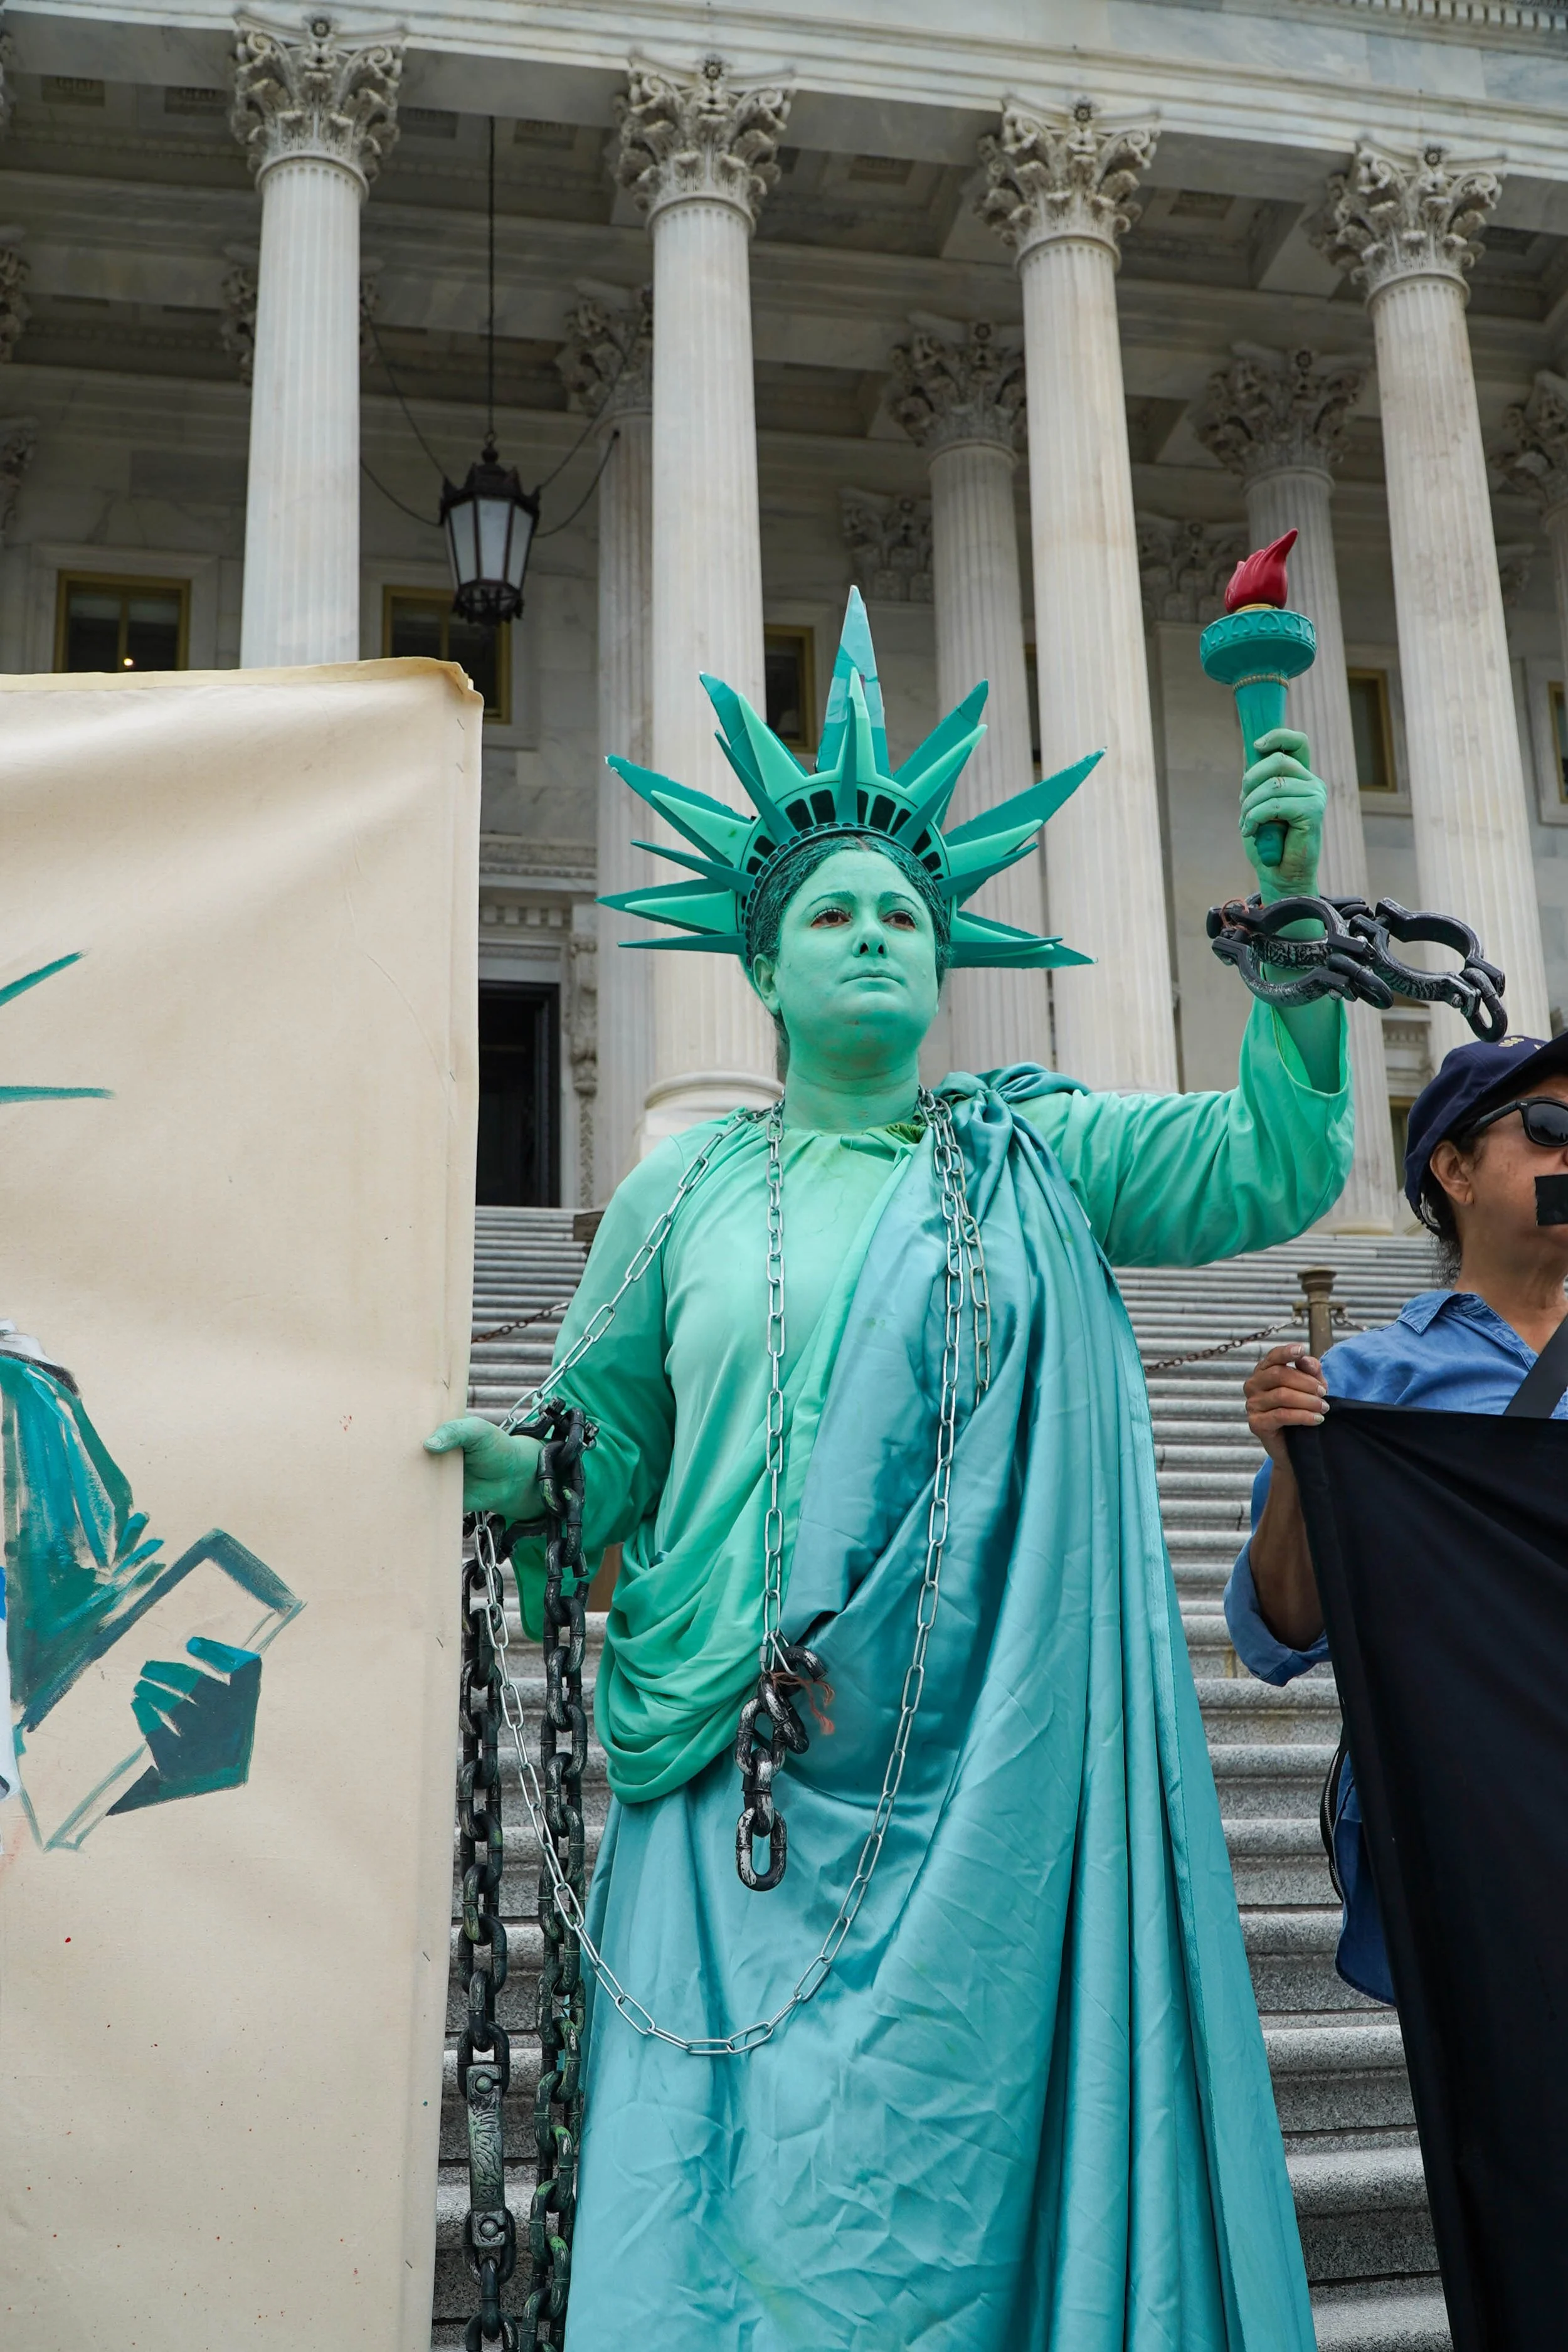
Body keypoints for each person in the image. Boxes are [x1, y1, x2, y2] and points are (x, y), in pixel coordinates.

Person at [428, 592, 1352, 2349]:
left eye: (899, 918)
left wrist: (1289, 933)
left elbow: (1269, 1160)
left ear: (943, 966)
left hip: (985, 1782)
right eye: (828, 915)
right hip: (730, 1778)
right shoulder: (676, 1195)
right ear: (761, 970)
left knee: (947, 2208)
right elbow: (598, 1447)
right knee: (721, 2209)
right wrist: (520, 1473)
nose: (868, 937)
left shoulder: (1041, 1152)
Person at [1227, 1030, 1568, 2003]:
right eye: (1549, 1127)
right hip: (1474, 1836)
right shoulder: (1366, 1386)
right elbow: (1281, 1637)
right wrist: (1298, 1467)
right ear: (1454, 1169)